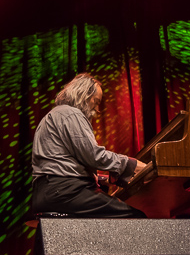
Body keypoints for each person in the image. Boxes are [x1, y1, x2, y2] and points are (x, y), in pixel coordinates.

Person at [31, 73, 147, 218]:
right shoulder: (71, 114)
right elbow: (93, 156)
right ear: (84, 95)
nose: (97, 109)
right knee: (136, 217)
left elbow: (64, 161)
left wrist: (99, 178)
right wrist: (131, 165)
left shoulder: (53, 116)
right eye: (96, 101)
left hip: (47, 192)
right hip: (65, 192)